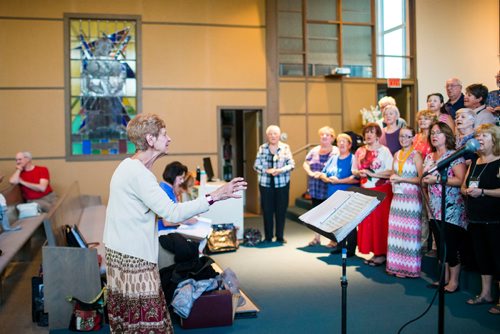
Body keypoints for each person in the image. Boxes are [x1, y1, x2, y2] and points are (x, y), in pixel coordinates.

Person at [103, 113, 246, 333]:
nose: (169, 139)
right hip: (132, 256)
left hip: (122, 250)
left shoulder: (129, 167)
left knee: (134, 318)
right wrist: (215, 195)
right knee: (148, 320)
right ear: (150, 140)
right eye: (164, 134)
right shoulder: (138, 173)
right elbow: (171, 212)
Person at [422, 122, 466, 293]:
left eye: (438, 132)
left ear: (446, 135)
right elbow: (425, 180)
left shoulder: (453, 155)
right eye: (432, 133)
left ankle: (454, 282)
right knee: (440, 245)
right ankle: (444, 278)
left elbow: (460, 180)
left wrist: (438, 180)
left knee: (451, 245)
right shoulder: (429, 156)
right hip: (434, 207)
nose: (434, 135)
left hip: (451, 208)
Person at [461, 124, 500, 314]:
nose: (480, 138)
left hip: (495, 219)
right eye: (478, 135)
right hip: (475, 218)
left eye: (484, 135)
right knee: (482, 258)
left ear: (495, 139)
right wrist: (467, 190)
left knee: (498, 258)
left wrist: (482, 191)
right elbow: (463, 185)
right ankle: (486, 294)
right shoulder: (475, 161)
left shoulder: (499, 162)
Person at [352, 123, 394, 266]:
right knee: (367, 222)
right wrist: (359, 173)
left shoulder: (385, 151)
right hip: (364, 189)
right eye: (366, 132)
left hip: (381, 190)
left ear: (377, 134)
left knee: (379, 223)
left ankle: (381, 253)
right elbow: (354, 169)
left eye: (372, 132)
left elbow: (390, 171)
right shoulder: (360, 151)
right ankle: (373, 251)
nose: (368, 135)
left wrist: (372, 173)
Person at [386, 127, 423, 278]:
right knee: (396, 232)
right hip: (397, 198)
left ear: (413, 138)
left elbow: (420, 179)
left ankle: (409, 268)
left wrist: (402, 179)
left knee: (409, 233)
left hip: (411, 199)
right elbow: (393, 173)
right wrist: (393, 178)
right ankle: (396, 266)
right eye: (401, 136)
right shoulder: (396, 154)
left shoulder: (416, 155)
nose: (404, 139)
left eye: (407, 136)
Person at [254, 125, 295, 243]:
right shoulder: (262, 148)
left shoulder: (285, 147)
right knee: (267, 210)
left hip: (282, 184)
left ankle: (280, 236)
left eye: (275, 134)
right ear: (267, 136)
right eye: (270, 134)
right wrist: (266, 170)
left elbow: (291, 164)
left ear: (279, 135)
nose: (273, 136)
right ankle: (268, 237)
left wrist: (280, 170)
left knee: (281, 210)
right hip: (265, 184)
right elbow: (256, 165)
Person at [320, 133, 359, 256]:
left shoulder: (353, 158)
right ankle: (340, 245)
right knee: (337, 222)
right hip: (333, 195)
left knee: (349, 223)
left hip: (348, 195)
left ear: (349, 145)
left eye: (344, 141)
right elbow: (323, 173)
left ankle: (351, 249)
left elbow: (356, 179)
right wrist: (327, 179)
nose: (341, 143)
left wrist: (339, 181)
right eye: (339, 141)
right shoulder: (333, 158)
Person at [304, 126, 337, 247]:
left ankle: (333, 239)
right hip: (315, 187)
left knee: (330, 214)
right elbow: (305, 163)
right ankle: (317, 238)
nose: (324, 137)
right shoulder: (314, 150)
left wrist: (323, 174)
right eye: (322, 134)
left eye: (327, 135)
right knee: (316, 213)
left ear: (332, 138)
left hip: (329, 186)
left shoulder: (335, 151)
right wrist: (310, 173)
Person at [413, 109, 436, 255]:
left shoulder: (434, 137)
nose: (422, 121)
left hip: (431, 176)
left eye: (426, 119)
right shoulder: (415, 138)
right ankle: (421, 243)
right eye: (420, 119)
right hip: (416, 178)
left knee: (432, 212)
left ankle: (434, 245)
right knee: (420, 213)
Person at [158, 161, 197, 235]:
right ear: (173, 176)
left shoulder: (168, 190)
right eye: (180, 178)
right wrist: (186, 221)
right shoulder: (164, 191)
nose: (182, 181)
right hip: (164, 232)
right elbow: (167, 222)